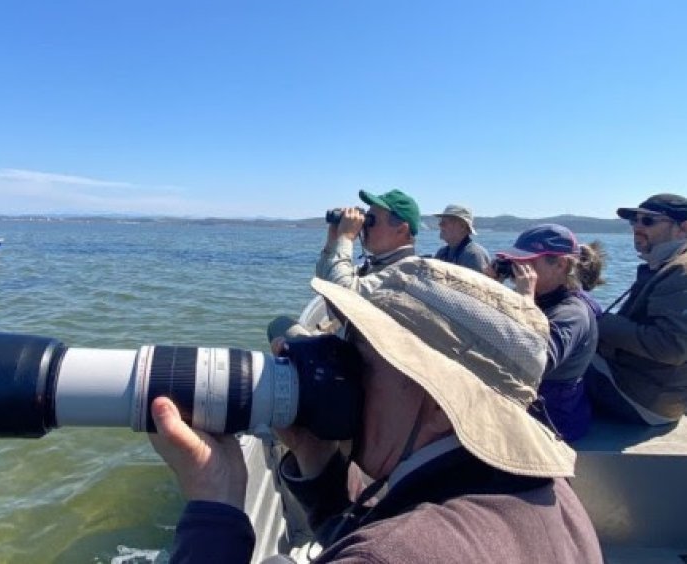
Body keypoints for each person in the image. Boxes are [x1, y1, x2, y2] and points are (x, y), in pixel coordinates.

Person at [149, 259, 602, 563]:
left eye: (358, 356)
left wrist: (216, 505)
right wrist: (319, 462)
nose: (338, 368)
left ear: (442, 401)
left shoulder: (393, 554)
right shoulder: (548, 493)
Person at [494, 224, 604, 441]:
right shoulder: (542, 299)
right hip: (526, 408)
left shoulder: (572, 314)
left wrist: (524, 300)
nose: (517, 270)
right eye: (514, 262)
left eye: (526, 263)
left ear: (560, 265)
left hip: (551, 422)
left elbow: (531, 362)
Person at [586, 193, 687, 425]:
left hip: (640, 399)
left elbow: (671, 347)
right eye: (634, 221)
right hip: (652, 393)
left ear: (683, 228)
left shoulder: (681, 272)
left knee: (554, 361)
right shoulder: (664, 266)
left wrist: (597, 319)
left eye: (648, 221)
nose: (637, 227)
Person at [268, 188, 420, 343]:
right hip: (354, 345)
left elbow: (343, 296)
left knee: (280, 326)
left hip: (360, 359)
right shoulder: (380, 264)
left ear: (401, 230)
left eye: (371, 220)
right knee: (280, 326)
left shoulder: (407, 272)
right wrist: (333, 241)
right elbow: (323, 281)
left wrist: (345, 238)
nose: (363, 226)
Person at [432, 203, 490, 273]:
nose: (440, 225)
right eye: (441, 221)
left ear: (462, 226)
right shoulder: (442, 253)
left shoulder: (473, 255)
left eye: (445, 222)